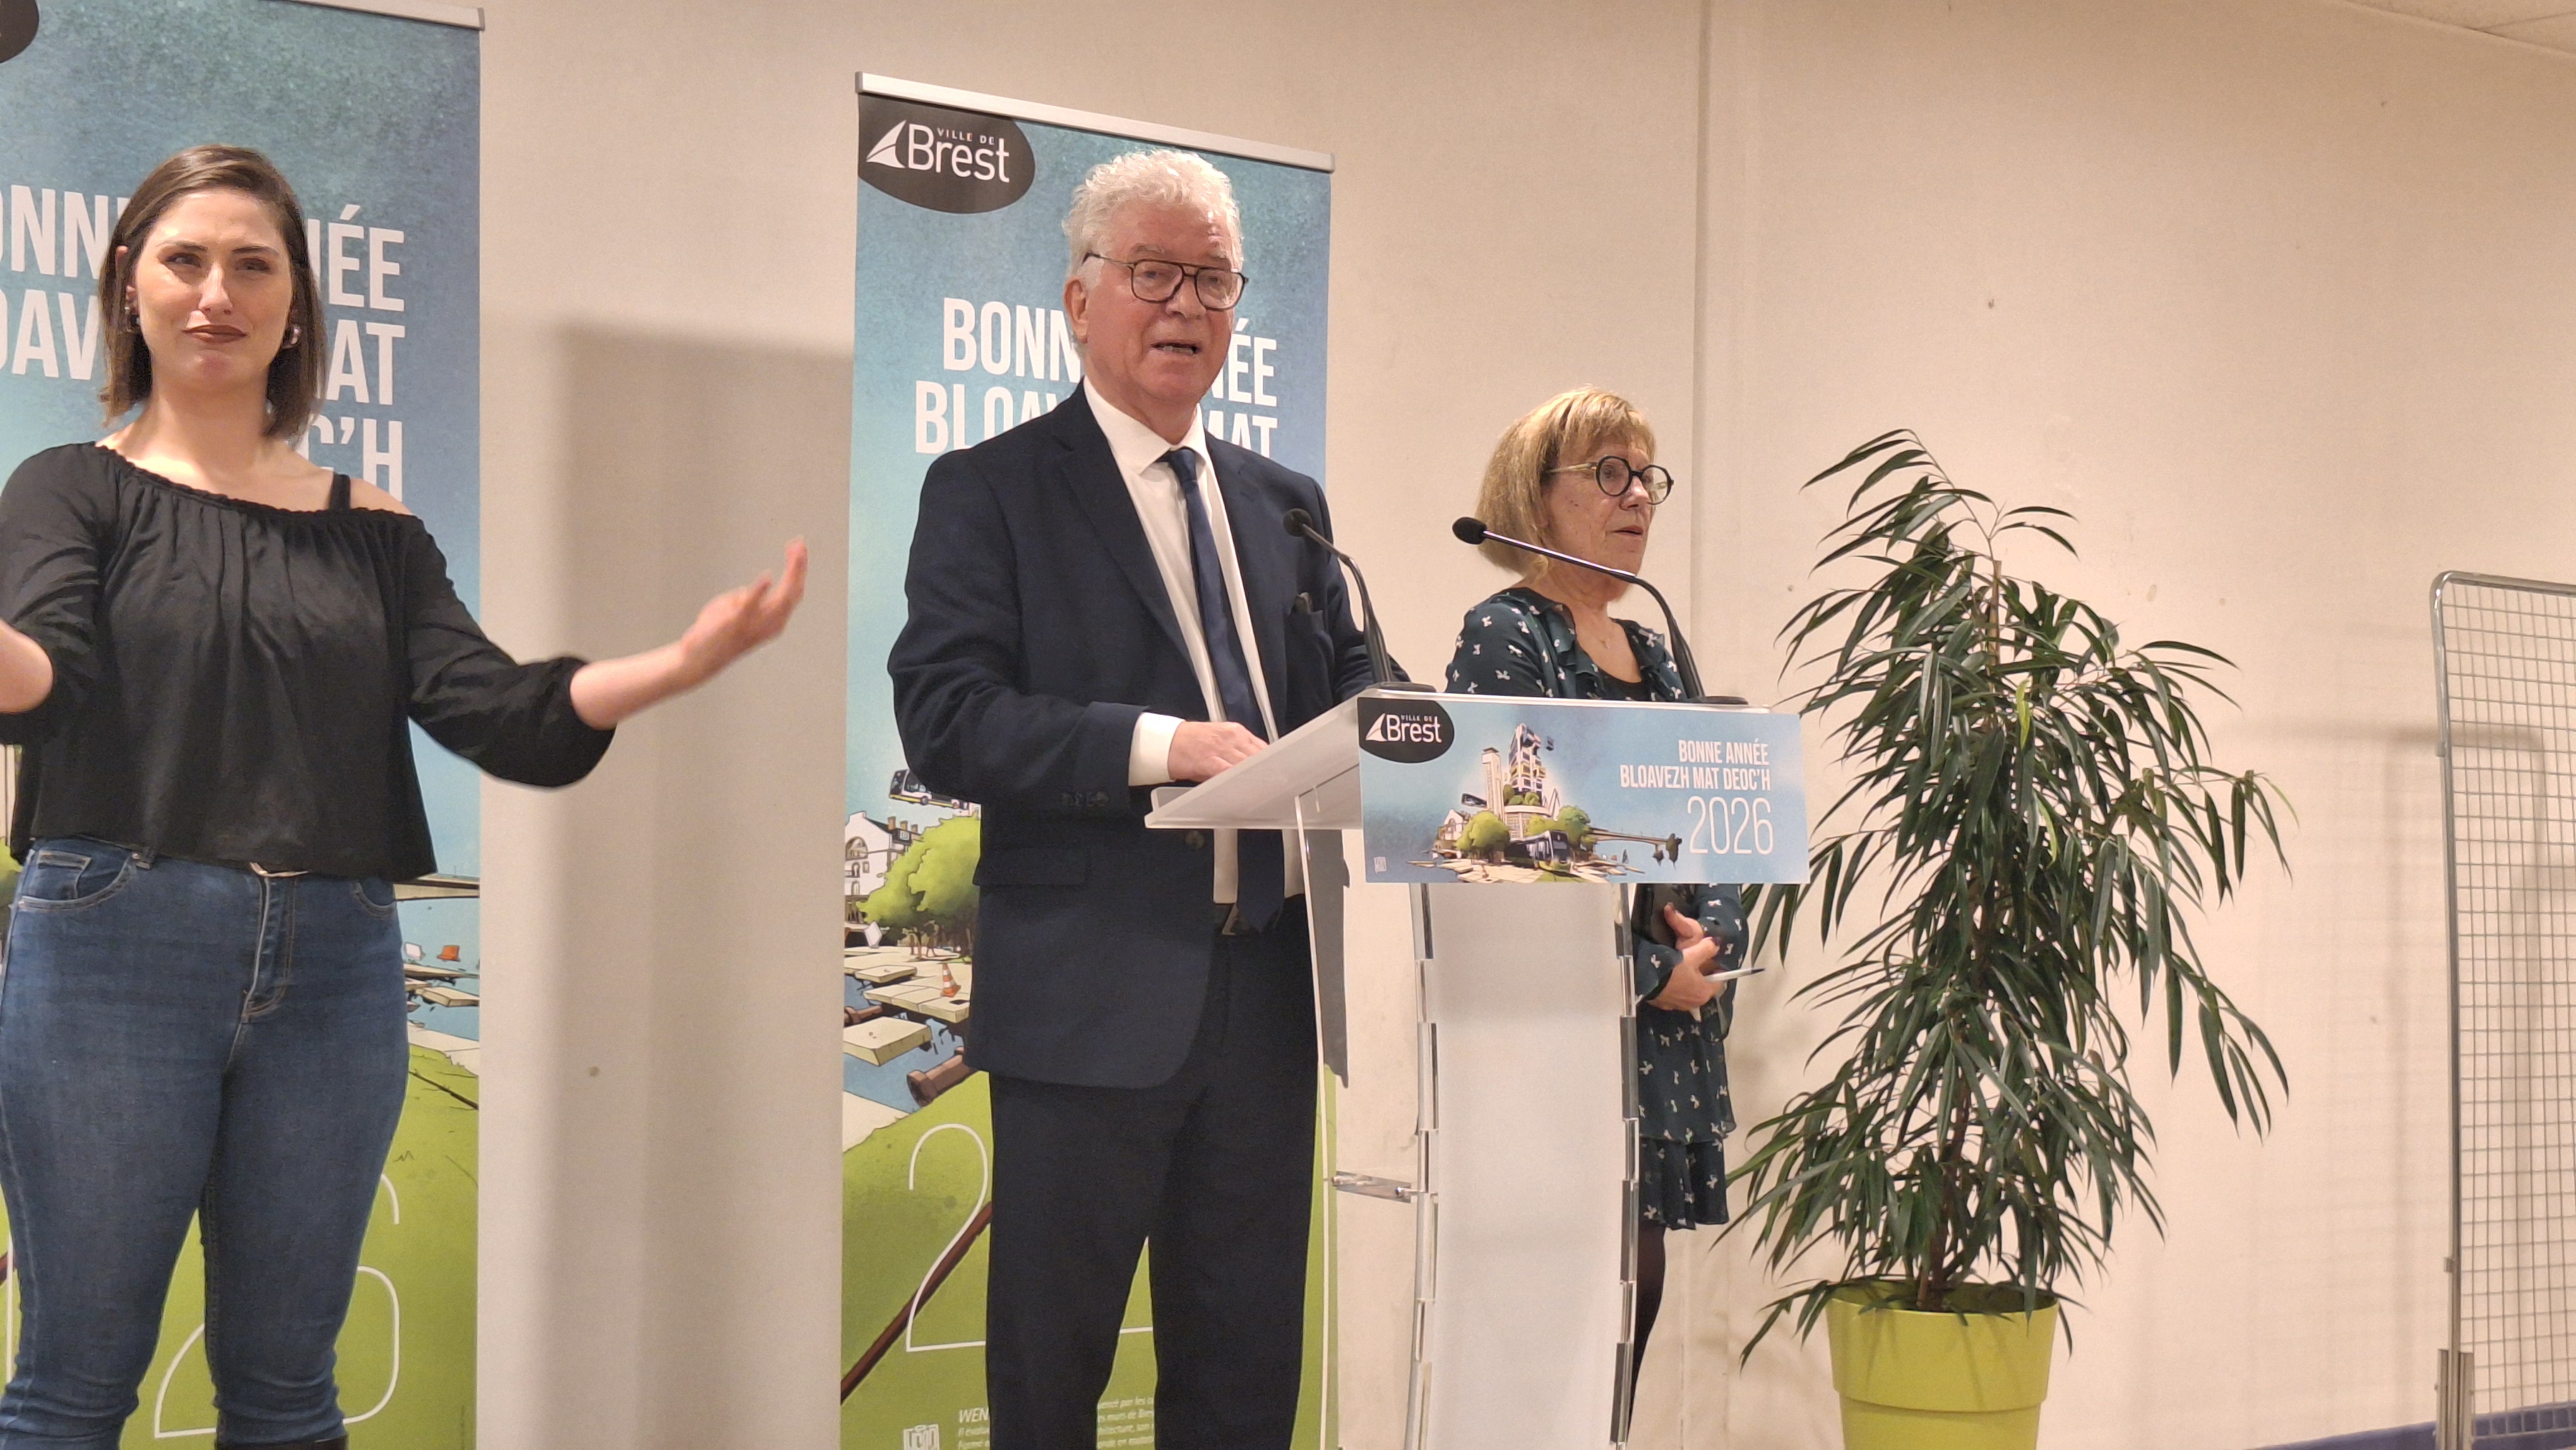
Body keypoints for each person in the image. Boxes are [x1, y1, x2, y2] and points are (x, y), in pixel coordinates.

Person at [0, 145, 805, 1450]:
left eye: (253, 265)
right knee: (75, 1386)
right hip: (115, 947)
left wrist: (677, 663)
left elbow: (495, 708)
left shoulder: (375, 530)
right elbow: (43, 680)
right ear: (129, 286)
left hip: (337, 965)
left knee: (289, 1390)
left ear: (296, 307)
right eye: (186, 260)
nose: (217, 293)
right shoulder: (65, 487)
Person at [888, 149, 1379, 1450]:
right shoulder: (992, 488)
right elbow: (948, 716)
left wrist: (1404, 728)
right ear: (1080, 297)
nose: (1186, 306)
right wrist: (1164, 746)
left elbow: (1356, 683)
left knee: (1245, 1377)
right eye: (1155, 273)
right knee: (1051, 1383)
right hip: (1089, 1000)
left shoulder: (1288, 508)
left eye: (1214, 280)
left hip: (1268, 994)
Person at [1442, 386, 1744, 1398]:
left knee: (1630, 1306)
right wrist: (1649, 970)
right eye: (1608, 474)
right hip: (1560, 1021)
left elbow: (1716, 816)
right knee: (1557, 1317)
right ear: (1536, 497)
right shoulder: (1507, 634)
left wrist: (1711, 948)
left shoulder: (1656, 651)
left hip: (1659, 1029)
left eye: (1646, 477)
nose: (1637, 497)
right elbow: (1502, 850)